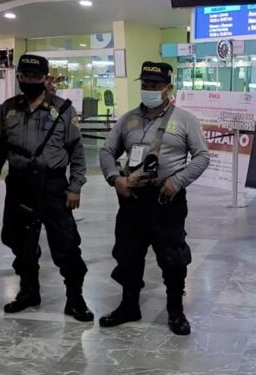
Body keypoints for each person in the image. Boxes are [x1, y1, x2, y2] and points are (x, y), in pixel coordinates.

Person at [99, 61, 209, 336]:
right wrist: (116, 179)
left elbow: (202, 156)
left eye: (155, 85)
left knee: (173, 258)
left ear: (168, 88)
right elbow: (106, 152)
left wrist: (177, 181)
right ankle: (128, 306)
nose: (148, 89)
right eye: (145, 84)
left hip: (166, 199)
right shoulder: (127, 119)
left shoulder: (184, 119)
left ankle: (175, 311)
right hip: (132, 199)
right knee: (127, 255)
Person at [0, 54, 93, 322]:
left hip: (53, 185)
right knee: (18, 240)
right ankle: (28, 291)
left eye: (36, 77)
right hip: (19, 184)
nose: (30, 81)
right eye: (25, 76)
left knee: (65, 242)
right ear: (19, 77)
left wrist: (75, 186)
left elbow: (77, 152)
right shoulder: (9, 107)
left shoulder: (62, 109)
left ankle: (75, 298)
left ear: (46, 79)